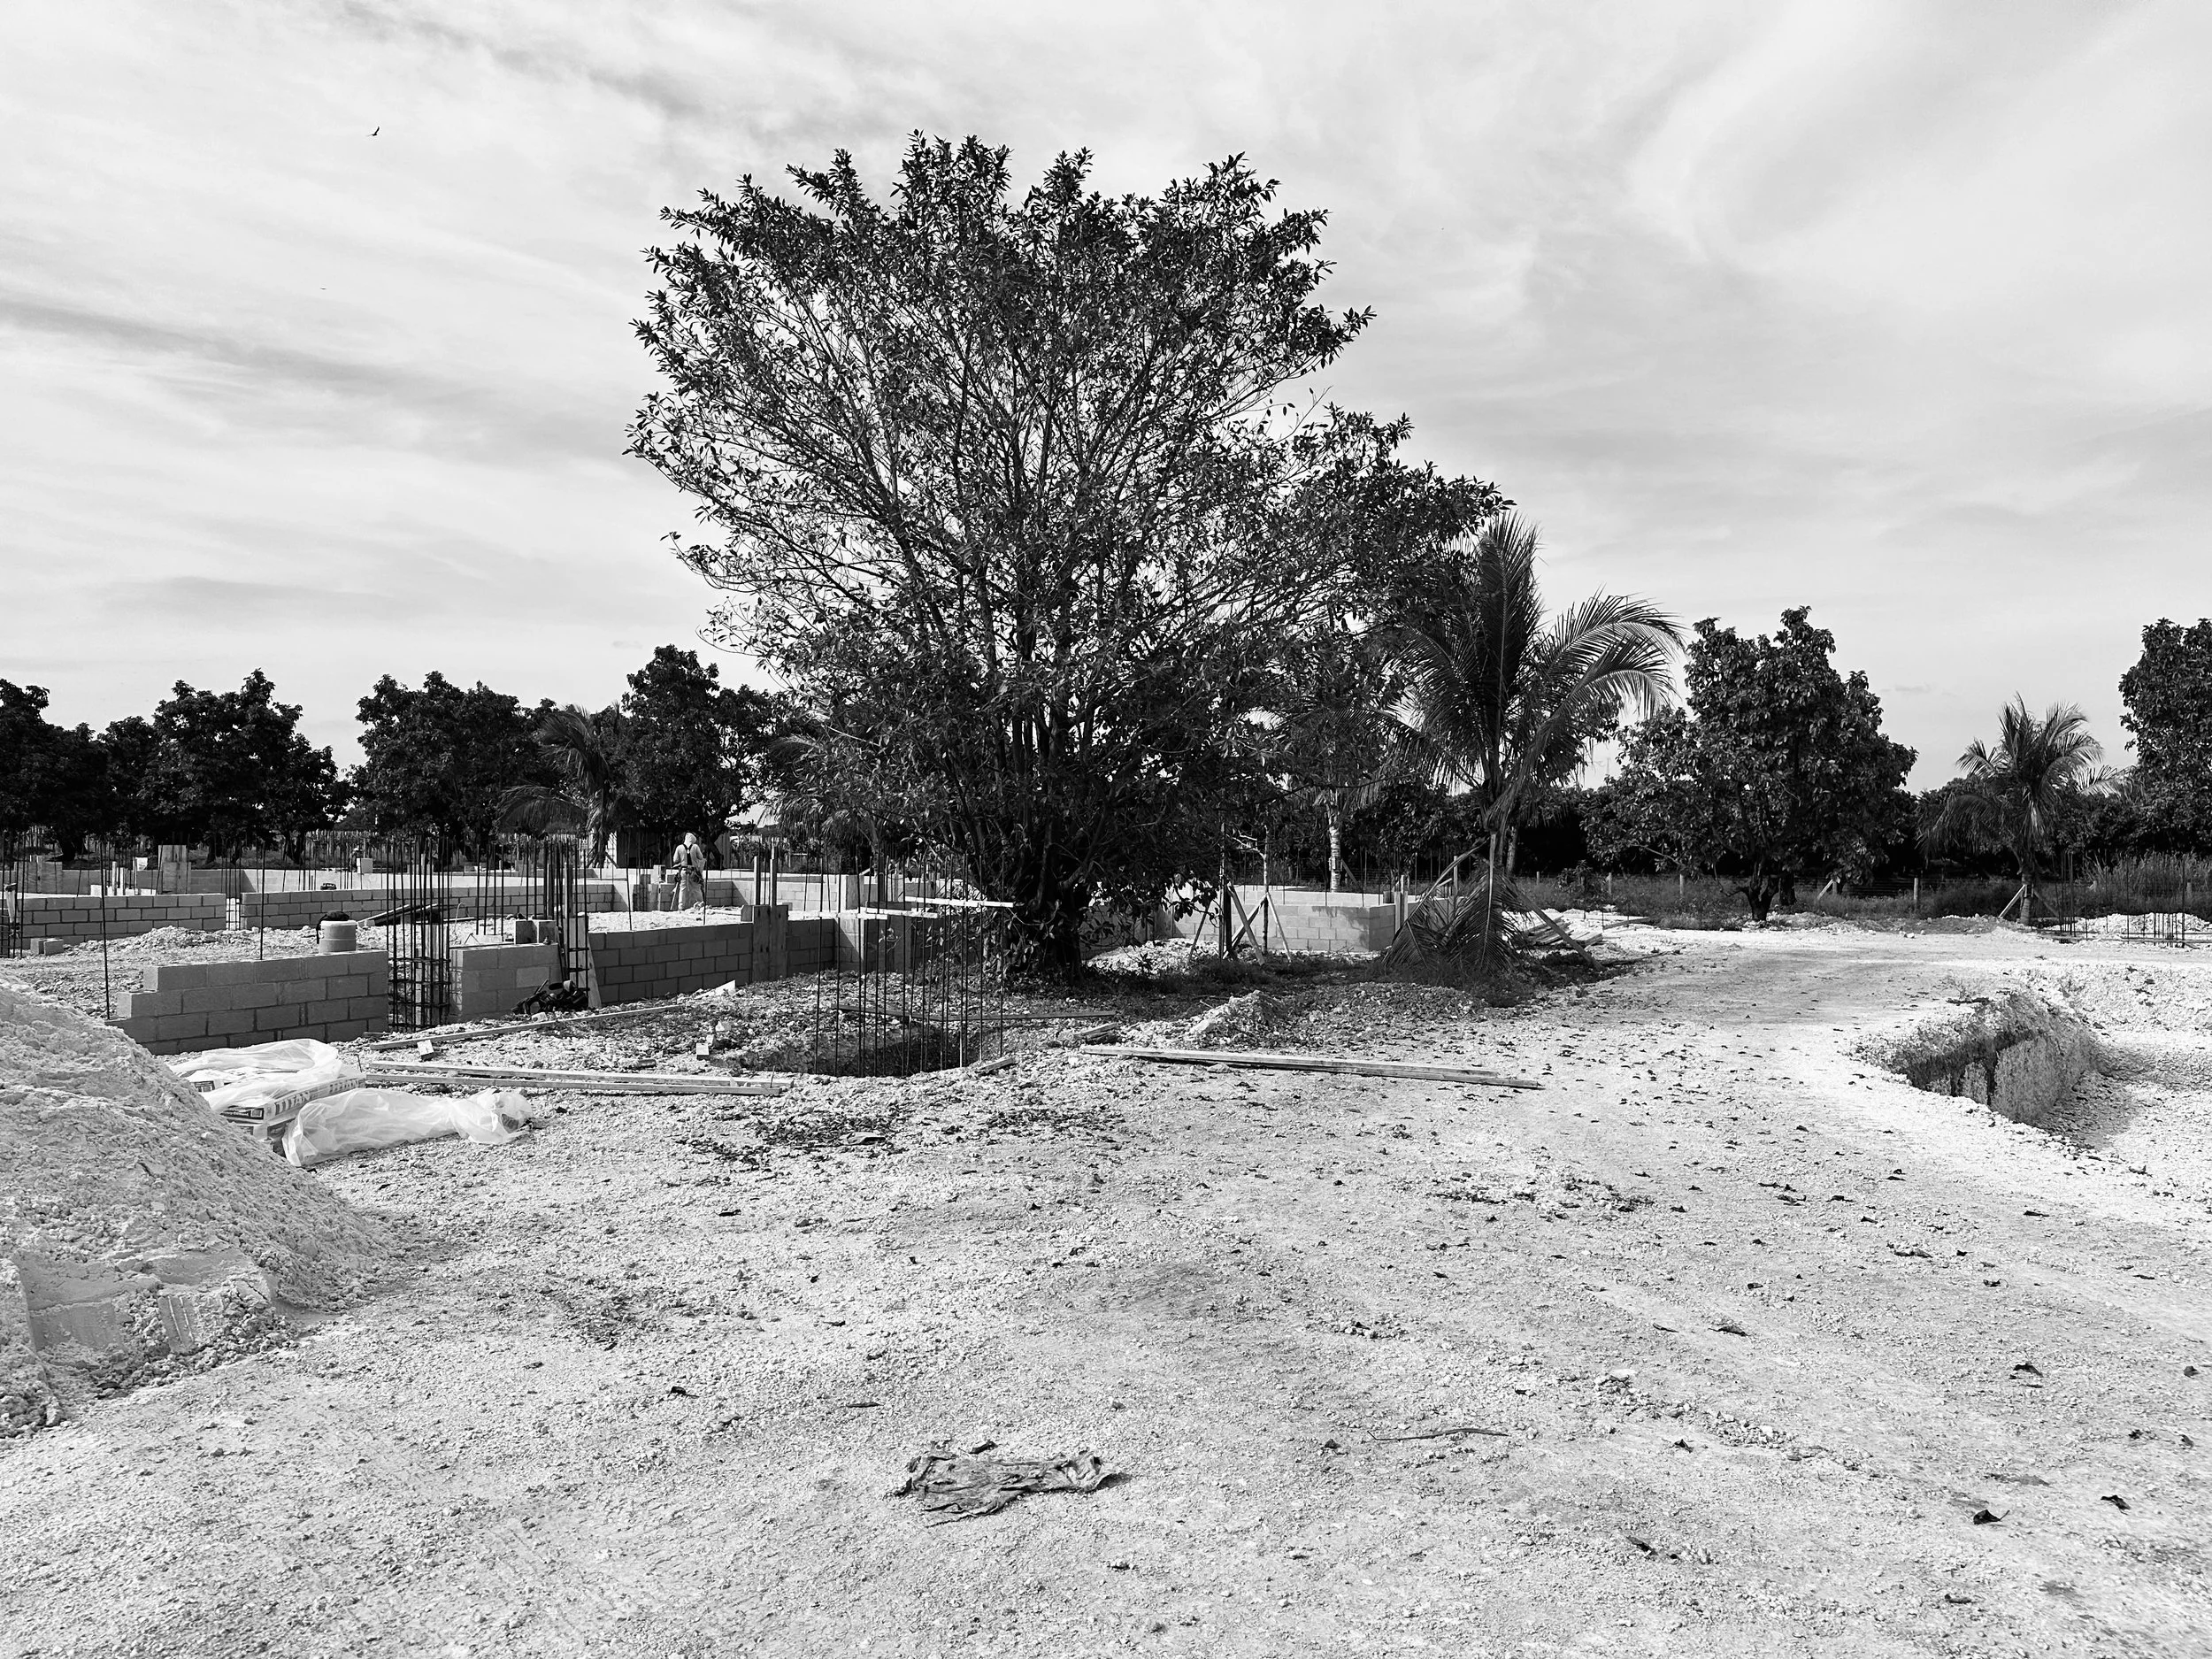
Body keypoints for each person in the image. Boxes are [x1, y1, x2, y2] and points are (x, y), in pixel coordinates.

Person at [676, 831, 708, 910]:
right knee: (697, 888)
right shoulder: (695, 847)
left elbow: (675, 860)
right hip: (693, 871)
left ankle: (681, 906)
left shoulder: (679, 847)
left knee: (683, 888)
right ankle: (701, 904)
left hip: (683, 871)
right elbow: (701, 857)